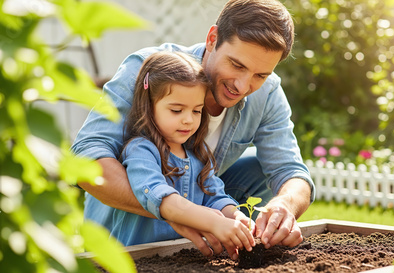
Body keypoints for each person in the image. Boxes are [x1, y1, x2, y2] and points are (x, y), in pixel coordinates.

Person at [72, 0, 315, 260]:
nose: (243, 86)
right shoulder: (150, 71)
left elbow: (291, 171)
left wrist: (283, 206)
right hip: (128, 224)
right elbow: (85, 159)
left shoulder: (267, 94)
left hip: (197, 197)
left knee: (258, 170)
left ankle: (222, 234)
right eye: (237, 65)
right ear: (212, 39)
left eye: (260, 75)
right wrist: (182, 211)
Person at [84, 51, 255, 251]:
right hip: (138, 259)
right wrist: (211, 221)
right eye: (176, 110)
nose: (188, 120)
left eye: (196, 110)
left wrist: (235, 217)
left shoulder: (198, 155)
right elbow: (156, 193)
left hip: (180, 256)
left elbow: (214, 195)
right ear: (149, 107)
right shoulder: (141, 150)